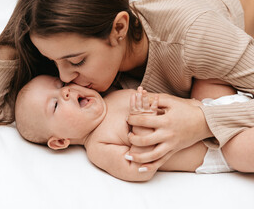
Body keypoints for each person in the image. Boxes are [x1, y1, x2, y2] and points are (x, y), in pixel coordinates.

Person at [0, 0, 254, 172]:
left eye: (77, 61)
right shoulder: (70, 60)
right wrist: (14, 41)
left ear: (119, 28)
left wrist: (203, 119)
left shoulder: (194, 37)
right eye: (54, 62)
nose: (67, 78)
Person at [14, 74, 254, 181]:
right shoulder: (98, 146)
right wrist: (142, 124)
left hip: (209, 107)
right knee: (245, 152)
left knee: (206, 73)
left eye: (60, 84)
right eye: (55, 104)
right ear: (60, 141)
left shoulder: (111, 93)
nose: (65, 91)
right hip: (215, 147)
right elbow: (140, 169)